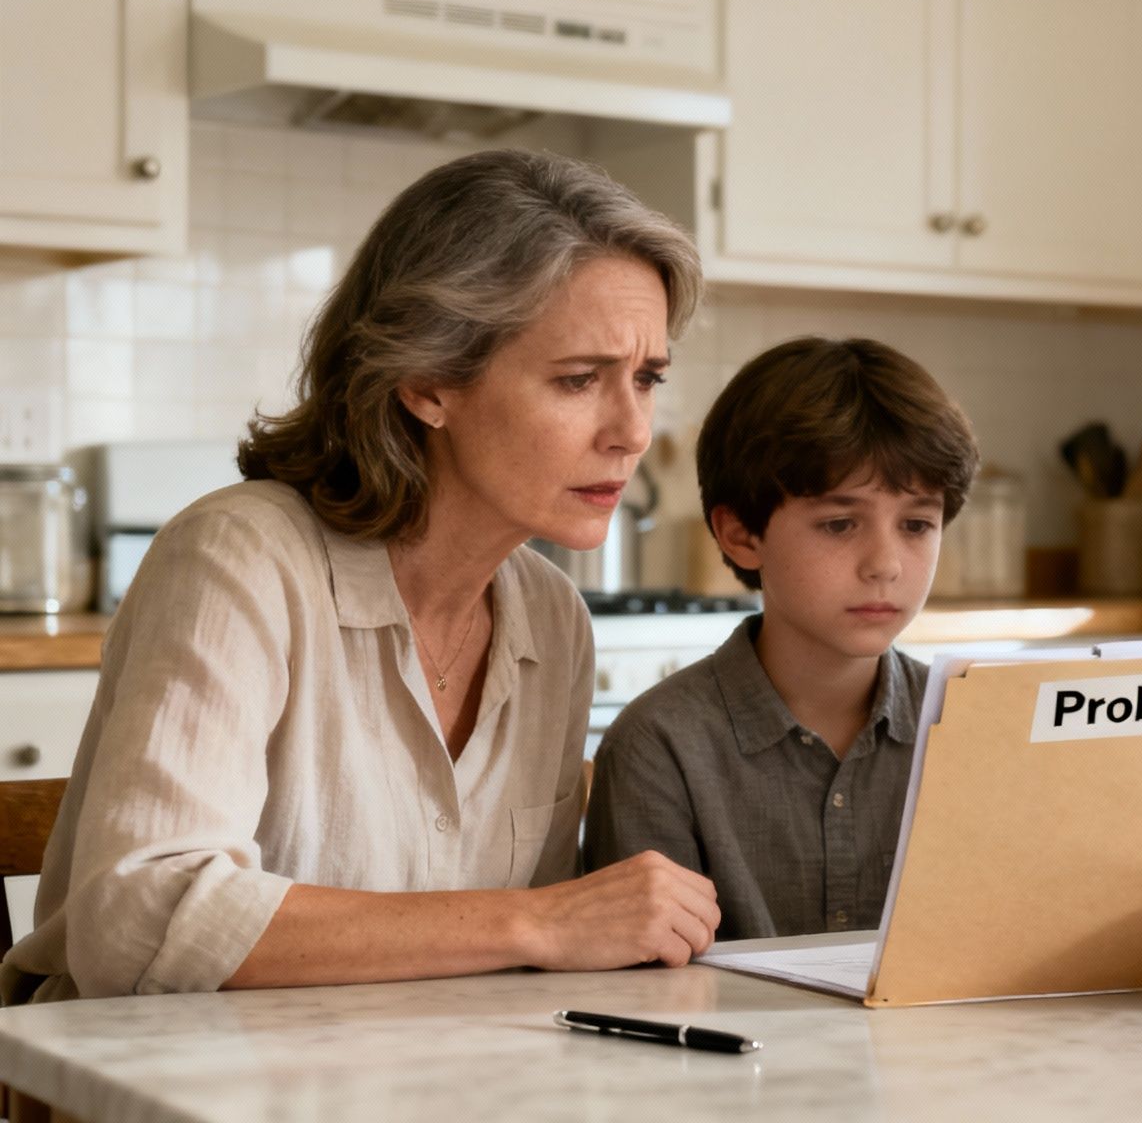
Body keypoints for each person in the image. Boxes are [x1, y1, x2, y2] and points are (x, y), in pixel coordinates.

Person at [2, 148, 720, 1004]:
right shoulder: (238, 559)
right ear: (427, 382)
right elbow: (140, 919)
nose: (632, 432)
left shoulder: (551, 616)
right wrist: (539, 920)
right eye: (577, 381)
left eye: (646, 379)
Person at [583, 337, 978, 939]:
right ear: (741, 535)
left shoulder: (972, 727)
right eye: (840, 524)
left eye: (917, 525)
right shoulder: (659, 748)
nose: (886, 564)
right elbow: (645, 991)